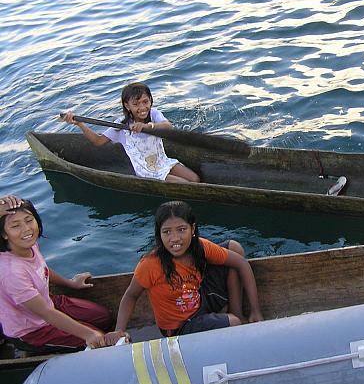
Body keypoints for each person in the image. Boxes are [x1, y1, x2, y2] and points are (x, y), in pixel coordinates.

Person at [105, 201, 263, 344]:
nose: (174, 238)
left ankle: (237, 313)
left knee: (233, 248)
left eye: (181, 230)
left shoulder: (200, 247)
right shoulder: (150, 264)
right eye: (167, 232)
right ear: (159, 234)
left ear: (192, 229)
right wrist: (119, 329)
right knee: (233, 323)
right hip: (179, 327)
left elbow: (242, 263)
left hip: (198, 299)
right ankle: (234, 321)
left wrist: (256, 311)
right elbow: (131, 295)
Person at [0, 197, 112, 352]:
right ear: (4, 234)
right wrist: (89, 334)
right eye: (15, 226)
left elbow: (42, 270)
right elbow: (46, 313)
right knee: (100, 339)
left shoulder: (29, 245)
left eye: (29, 220)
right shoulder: (11, 272)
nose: (26, 229)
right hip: (32, 330)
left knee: (104, 317)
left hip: (48, 302)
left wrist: (70, 283)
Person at [63, 82, 200, 183]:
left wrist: (147, 127)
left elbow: (167, 127)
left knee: (195, 179)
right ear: (127, 106)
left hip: (163, 162)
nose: (142, 108)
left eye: (145, 102)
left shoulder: (154, 114)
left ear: (151, 100)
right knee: (186, 184)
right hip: (147, 172)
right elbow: (98, 142)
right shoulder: (121, 126)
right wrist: (80, 124)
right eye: (136, 104)